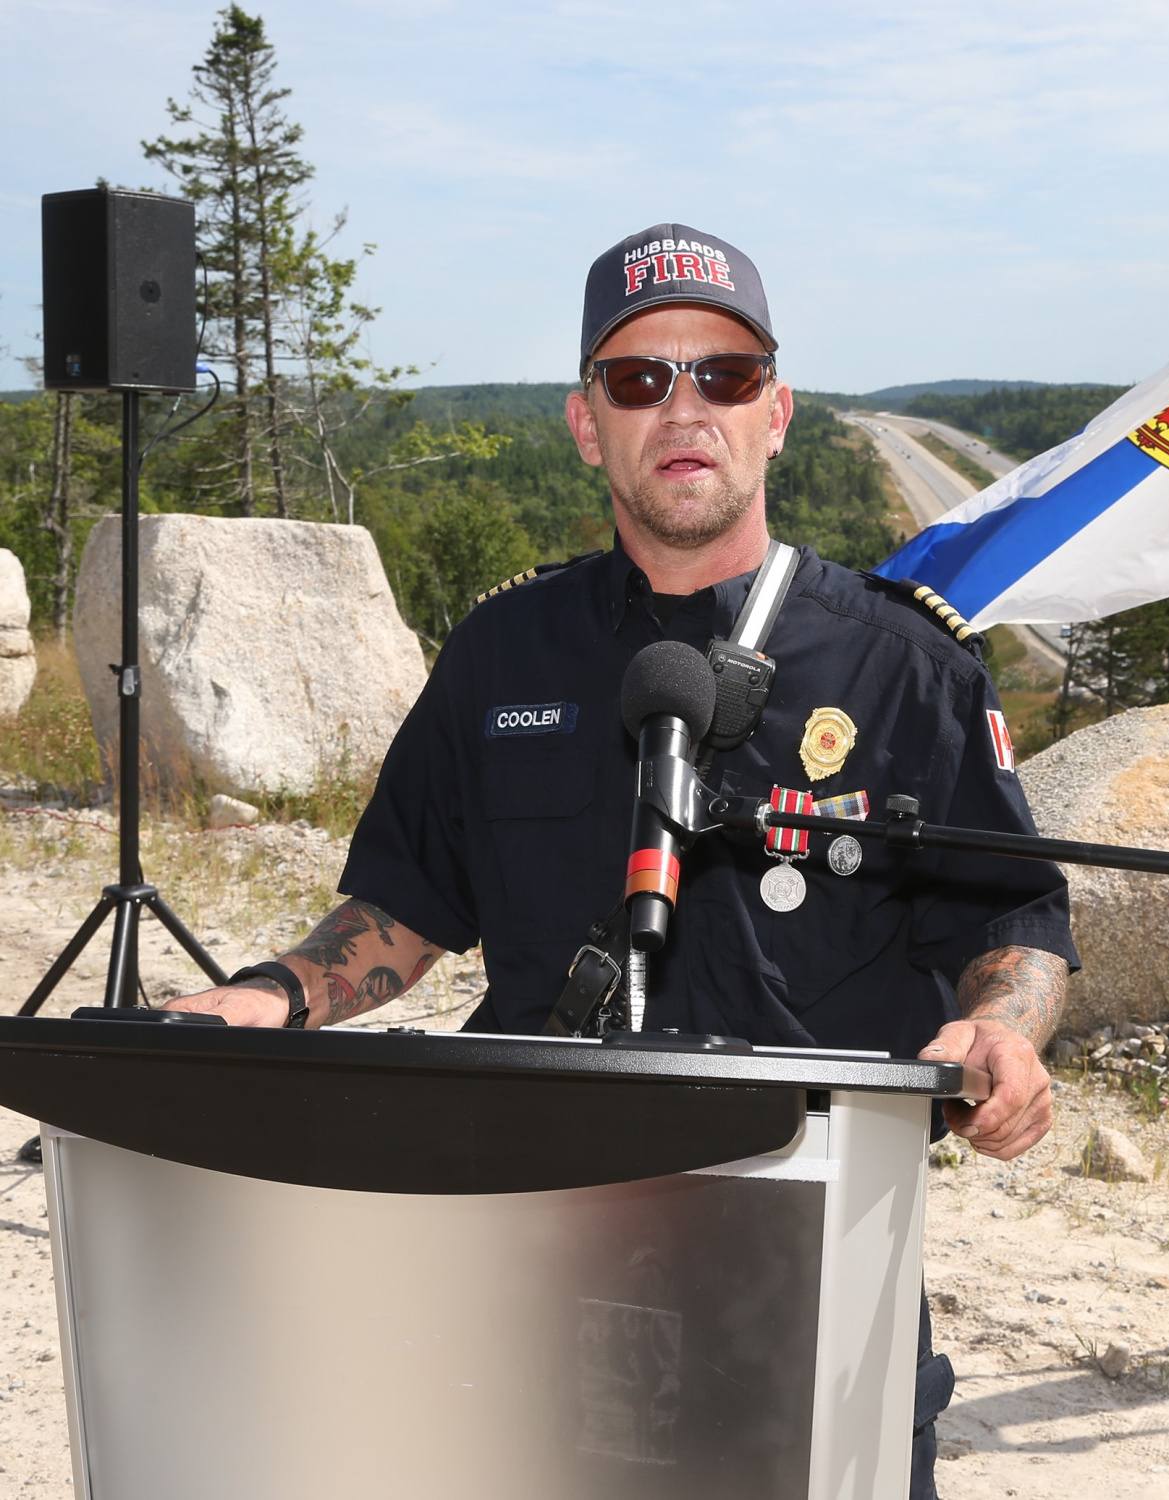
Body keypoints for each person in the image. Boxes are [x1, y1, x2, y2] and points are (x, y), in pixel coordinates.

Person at [168, 222, 1078, 1498]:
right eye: (640, 379)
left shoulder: (903, 668)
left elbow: (1016, 921)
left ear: (779, 413)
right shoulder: (502, 656)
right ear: (587, 422)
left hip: (807, 1236)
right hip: (536, 1237)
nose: (684, 407)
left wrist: (1007, 1032)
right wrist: (274, 991)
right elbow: (402, 907)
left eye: (725, 373)